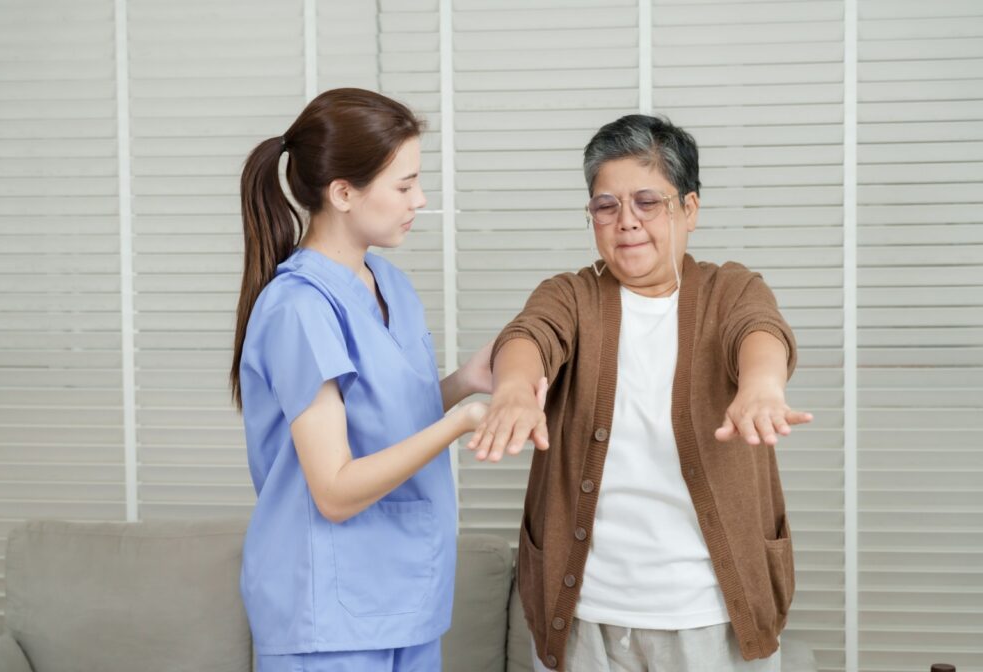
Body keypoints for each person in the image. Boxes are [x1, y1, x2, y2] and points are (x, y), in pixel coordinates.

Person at [467, 114, 814, 672]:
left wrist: (761, 386)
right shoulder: (572, 294)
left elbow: (759, 330)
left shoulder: (730, 288)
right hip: (582, 615)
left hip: (709, 613)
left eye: (647, 202)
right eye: (607, 206)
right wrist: (513, 390)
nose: (626, 222)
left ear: (689, 210)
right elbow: (530, 334)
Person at [230, 88, 492, 672]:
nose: (419, 200)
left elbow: (383, 416)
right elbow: (335, 489)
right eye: (404, 185)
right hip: (328, 613)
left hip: (407, 592)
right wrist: (459, 424)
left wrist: (464, 382)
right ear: (343, 192)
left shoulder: (390, 284)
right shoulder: (299, 308)